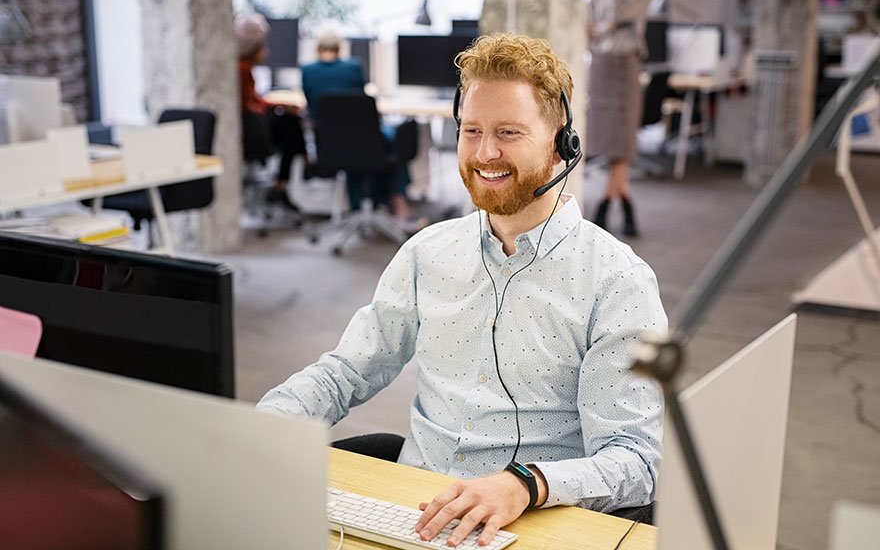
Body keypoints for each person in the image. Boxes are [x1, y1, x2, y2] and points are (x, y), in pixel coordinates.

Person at [258, 33, 666, 547]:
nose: (485, 152)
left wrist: (528, 484)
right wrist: (261, 427)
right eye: (471, 130)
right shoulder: (427, 252)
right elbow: (346, 372)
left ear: (561, 140)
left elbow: (635, 459)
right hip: (413, 511)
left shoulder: (615, 281)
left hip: (530, 525)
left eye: (509, 132)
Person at [301, 31, 415, 224]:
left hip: (329, 147)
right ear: (339, 49)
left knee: (354, 149)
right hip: (363, 142)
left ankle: (358, 206)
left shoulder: (307, 71)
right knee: (392, 138)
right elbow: (357, 104)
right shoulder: (353, 67)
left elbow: (312, 109)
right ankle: (397, 200)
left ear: (317, 49)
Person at [586, 0, 658, 237]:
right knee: (608, 138)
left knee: (623, 138)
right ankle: (625, 200)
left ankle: (605, 203)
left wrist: (604, 27)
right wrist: (605, 27)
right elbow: (588, 25)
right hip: (600, 64)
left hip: (625, 62)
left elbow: (626, 16)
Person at [235, 13, 307, 207]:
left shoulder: (244, 68)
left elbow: (254, 100)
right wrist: (280, 105)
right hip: (255, 133)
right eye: (262, 47)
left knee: (290, 121)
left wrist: (279, 104)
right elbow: (250, 105)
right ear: (253, 48)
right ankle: (301, 167)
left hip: (255, 126)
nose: (266, 52)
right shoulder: (242, 70)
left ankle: (295, 170)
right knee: (291, 125)